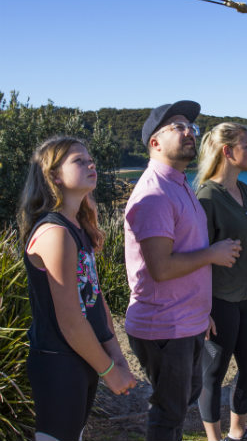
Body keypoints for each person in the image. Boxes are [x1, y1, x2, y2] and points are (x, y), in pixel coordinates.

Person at [124, 101, 242, 441]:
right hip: (164, 325)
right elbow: (160, 269)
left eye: (192, 127)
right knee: (168, 416)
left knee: (178, 407)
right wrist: (213, 254)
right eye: (178, 126)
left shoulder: (178, 184)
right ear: (155, 142)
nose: (190, 131)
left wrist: (199, 313)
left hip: (184, 321)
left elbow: (183, 252)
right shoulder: (155, 194)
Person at [18, 136, 136, 441]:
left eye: (90, 158)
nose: (90, 163)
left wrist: (116, 356)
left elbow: (95, 300)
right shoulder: (55, 233)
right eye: (78, 161)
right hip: (58, 361)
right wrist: (109, 369)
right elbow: (71, 321)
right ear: (54, 176)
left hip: (81, 359)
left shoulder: (76, 228)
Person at [195, 123, 247, 441]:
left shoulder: (246, 190)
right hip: (217, 301)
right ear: (228, 151)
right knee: (214, 373)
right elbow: (196, 258)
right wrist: (202, 309)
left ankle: (238, 432)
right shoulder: (207, 197)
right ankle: (214, 439)